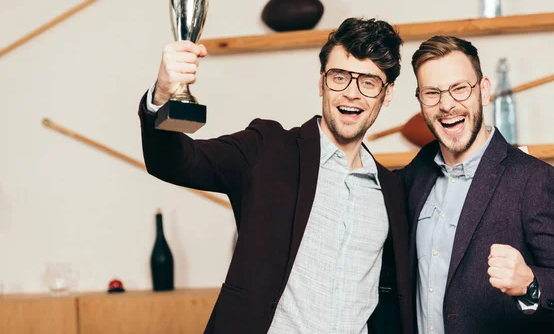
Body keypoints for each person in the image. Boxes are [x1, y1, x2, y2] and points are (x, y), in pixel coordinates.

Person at [138, 17, 414, 334]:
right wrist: (162, 93)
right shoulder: (266, 149)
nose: (352, 93)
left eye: (368, 82)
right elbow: (173, 162)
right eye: (340, 77)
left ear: (387, 93)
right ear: (322, 82)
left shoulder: (391, 190)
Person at [396, 35, 554, 334]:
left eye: (459, 88)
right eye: (432, 93)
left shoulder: (534, 180)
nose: (447, 105)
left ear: (484, 91)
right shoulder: (409, 179)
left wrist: (531, 283)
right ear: (420, 102)